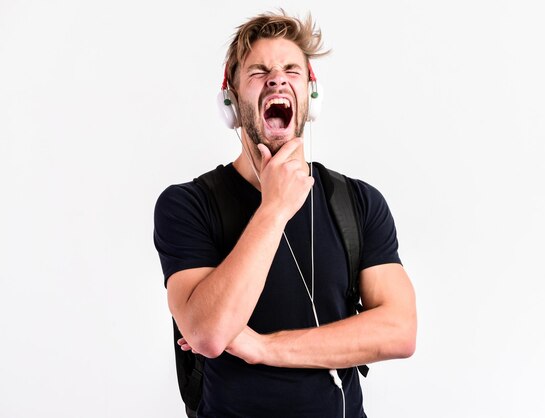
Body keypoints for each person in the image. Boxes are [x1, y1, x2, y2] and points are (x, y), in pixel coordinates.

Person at [154, 10, 417, 418]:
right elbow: (207, 333)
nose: (277, 78)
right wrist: (274, 208)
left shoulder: (357, 202)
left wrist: (263, 348)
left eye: (291, 69)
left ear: (311, 95)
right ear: (232, 100)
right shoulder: (187, 205)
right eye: (258, 72)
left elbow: (399, 331)